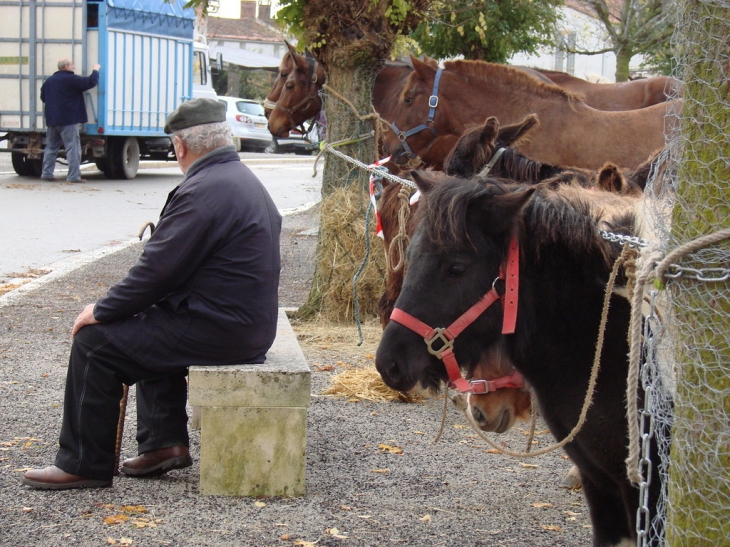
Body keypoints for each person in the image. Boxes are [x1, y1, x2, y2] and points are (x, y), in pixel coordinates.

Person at [22, 98, 282, 490]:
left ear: (181, 146)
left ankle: (83, 464)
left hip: (222, 329)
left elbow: (154, 274)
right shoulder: (241, 180)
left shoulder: (203, 191)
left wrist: (101, 310)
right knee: (147, 323)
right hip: (245, 325)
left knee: (95, 344)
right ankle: (164, 445)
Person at [40, 58, 101, 183]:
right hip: (68, 119)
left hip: (52, 120)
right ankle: (73, 177)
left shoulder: (49, 81)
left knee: (51, 147)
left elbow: (43, 96)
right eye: (72, 65)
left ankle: (46, 174)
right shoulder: (71, 79)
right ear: (66, 66)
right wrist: (95, 70)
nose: (74, 67)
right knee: (72, 148)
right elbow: (90, 82)